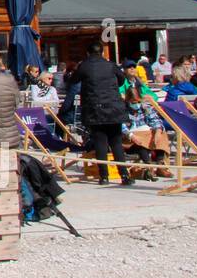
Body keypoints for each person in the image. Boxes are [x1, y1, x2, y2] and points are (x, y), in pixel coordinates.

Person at [71, 40, 132, 185]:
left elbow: (73, 80)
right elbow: (122, 80)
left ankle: (104, 176)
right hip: (113, 107)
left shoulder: (84, 66)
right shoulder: (111, 65)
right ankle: (124, 175)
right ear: (102, 52)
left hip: (94, 108)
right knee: (116, 142)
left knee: (100, 143)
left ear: (88, 53)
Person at [122, 81, 167, 181]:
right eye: (133, 103)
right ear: (128, 100)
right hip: (130, 139)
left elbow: (155, 120)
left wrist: (158, 132)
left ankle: (160, 164)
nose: (137, 104)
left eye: (138, 102)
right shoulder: (122, 110)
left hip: (146, 136)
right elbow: (121, 126)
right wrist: (131, 136)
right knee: (140, 144)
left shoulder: (145, 108)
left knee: (161, 134)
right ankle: (149, 167)